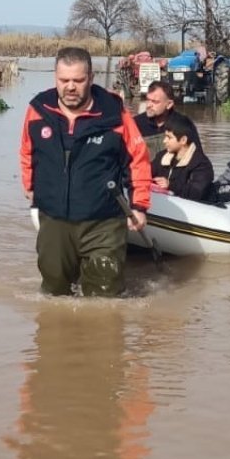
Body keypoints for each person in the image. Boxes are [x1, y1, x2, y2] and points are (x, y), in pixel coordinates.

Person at [20, 47, 151, 297]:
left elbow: (138, 159)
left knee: (105, 297)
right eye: (64, 80)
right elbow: (26, 151)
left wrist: (139, 205)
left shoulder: (114, 113)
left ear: (91, 78)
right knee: (54, 293)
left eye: (78, 80)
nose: (71, 87)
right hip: (54, 219)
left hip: (103, 221)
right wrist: (29, 185)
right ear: (55, 78)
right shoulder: (37, 110)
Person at [151, 114, 214, 201]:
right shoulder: (161, 157)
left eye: (169, 137)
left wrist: (170, 185)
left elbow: (197, 192)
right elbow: (147, 172)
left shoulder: (201, 164)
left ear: (183, 140)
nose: (164, 141)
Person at [132, 80, 199, 156]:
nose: (148, 105)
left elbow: (198, 157)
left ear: (169, 104)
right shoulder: (135, 124)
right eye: (148, 100)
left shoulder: (183, 124)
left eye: (155, 102)